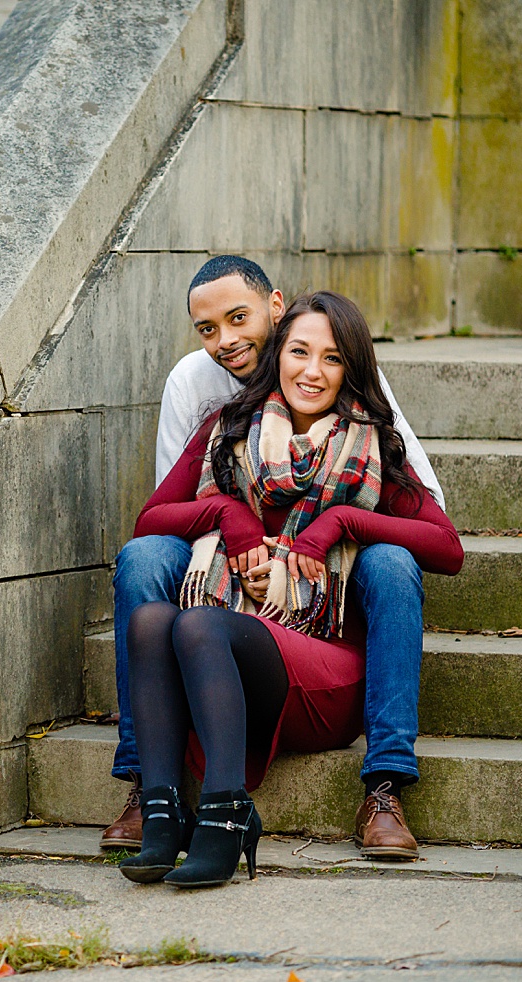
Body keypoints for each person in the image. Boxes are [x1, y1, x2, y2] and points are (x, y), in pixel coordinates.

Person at [103, 256, 446, 861]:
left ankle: (385, 784)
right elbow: (154, 519)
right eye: (300, 355)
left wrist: (338, 521)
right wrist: (227, 515)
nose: (312, 371)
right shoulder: (225, 426)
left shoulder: (368, 443)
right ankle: (150, 793)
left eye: (333, 359)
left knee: (392, 563)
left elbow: (445, 545)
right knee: (148, 576)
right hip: (229, 629)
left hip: (321, 639)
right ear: (279, 355)